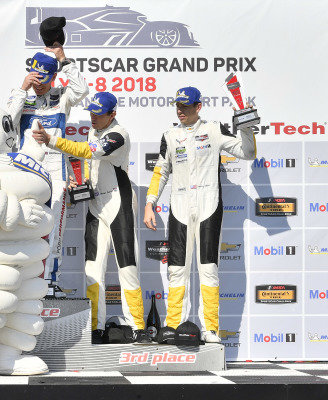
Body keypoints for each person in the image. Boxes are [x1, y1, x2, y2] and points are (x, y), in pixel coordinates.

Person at [32, 92, 149, 344]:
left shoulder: (119, 135)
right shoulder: (93, 130)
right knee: (91, 270)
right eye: (91, 113)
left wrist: (52, 140)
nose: (93, 118)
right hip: (96, 204)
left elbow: (88, 151)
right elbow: (91, 161)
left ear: (113, 114)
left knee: (127, 268)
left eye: (99, 114)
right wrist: (83, 181)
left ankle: (137, 325)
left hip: (119, 203)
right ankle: (95, 326)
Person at [143, 86, 257, 343]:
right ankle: (172, 325)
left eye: (185, 106)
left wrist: (247, 126)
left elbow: (248, 153)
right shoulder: (169, 135)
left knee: (208, 268)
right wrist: (150, 203)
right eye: (177, 105)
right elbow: (160, 172)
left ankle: (211, 329)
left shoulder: (215, 129)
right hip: (180, 206)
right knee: (176, 270)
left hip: (209, 205)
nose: (180, 110)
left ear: (198, 107)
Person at [7, 45, 89, 296]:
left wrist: (64, 60)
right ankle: (21, 279)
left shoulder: (62, 95)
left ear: (53, 77)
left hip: (55, 172)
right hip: (25, 172)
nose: (38, 83)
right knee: (22, 226)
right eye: (34, 77)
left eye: (43, 79)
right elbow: (7, 121)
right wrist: (23, 87)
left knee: (54, 228)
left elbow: (82, 90)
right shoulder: (22, 95)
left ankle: (50, 281)